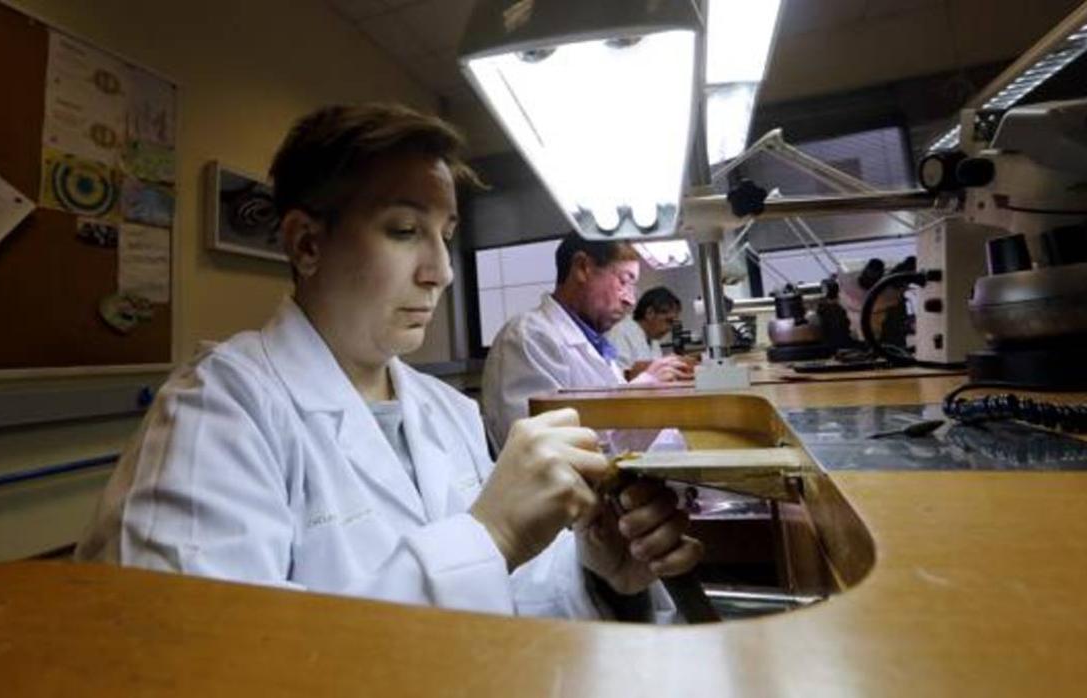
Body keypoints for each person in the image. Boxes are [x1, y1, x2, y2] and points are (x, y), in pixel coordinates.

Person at [76, 103, 702, 621]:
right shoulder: (218, 411)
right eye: (404, 231)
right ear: (307, 242)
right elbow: (201, 661)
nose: (442, 272)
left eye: (445, 235)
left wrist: (601, 574)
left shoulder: (447, 414)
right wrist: (491, 536)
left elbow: (509, 598)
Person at [481, 235, 696, 449]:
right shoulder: (529, 338)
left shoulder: (597, 346)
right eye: (623, 281)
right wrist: (643, 388)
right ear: (583, 268)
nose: (630, 300)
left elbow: (622, 439)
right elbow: (546, 453)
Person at [607, 286, 686, 379]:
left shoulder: (652, 340)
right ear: (650, 313)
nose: (670, 328)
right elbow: (618, 377)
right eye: (668, 321)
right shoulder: (621, 332)